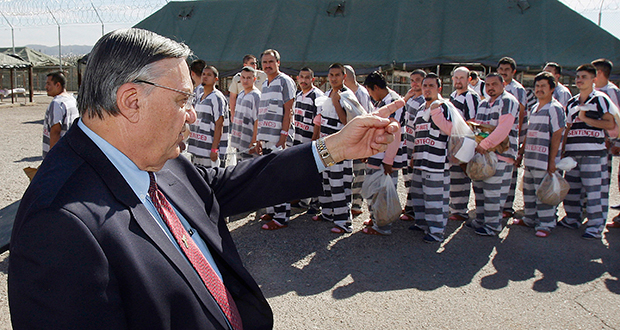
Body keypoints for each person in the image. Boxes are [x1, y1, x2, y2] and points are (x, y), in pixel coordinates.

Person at [8, 28, 403, 330]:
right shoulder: (58, 225)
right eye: (182, 101)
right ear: (131, 102)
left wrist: (334, 148)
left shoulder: (153, 156)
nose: (193, 116)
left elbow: (227, 183)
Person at [560, 64, 616, 240]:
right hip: (572, 153)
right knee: (572, 190)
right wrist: (562, 150)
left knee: (594, 192)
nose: (579, 79)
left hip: (594, 153)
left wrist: (587, 120)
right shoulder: (572, 102)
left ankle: (595, 226)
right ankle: (572, 219)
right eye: (577, 76)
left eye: (584, 76)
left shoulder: (600, 99)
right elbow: (567, 128)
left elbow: (610, 124)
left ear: (594, 79)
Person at [512, 71, 566, 238]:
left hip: (545, 161)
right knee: (529, 191)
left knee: (545, 193)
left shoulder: (555, 108)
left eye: (543, 86)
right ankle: (530, 219)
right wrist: (521, 152)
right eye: (537, 86)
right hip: (531, 159)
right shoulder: (535, 108)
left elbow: (557, 135)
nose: (539, 89)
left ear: (552, 88)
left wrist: (552, 161)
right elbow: (530, 133)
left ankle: (546, 224)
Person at [468, 73, 520, 236]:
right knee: (481, 189)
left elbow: (503, 128)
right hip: (483, 154)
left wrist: (485, 144)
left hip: (501, 154)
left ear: (503, 84)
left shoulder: (508, 101)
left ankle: (492, 226)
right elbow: (479, 128)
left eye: (494, 84)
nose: (490, 87)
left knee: (494, 193)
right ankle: (481, 220)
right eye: (488, 84)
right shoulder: (483, 103)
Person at [408, 73, 454, 243]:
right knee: (419, 194)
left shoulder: (444, 107)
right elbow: (416, 134)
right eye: (425, 86)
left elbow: (451, 129)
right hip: (420, 160)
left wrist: (435, 111)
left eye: (431, 86)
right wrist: (413, 155)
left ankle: (436, 232)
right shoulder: (420, 109)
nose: (427, 89)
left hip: (436, 162)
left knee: (435, 199)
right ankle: (421, 223)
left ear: (439, 88)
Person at [255, 49, 297, 230]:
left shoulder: (285, 82)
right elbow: (262, 113)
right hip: (266, 138)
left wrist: (284, 135)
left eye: (271, 62)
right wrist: (259, 138)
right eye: (264, 62)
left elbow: (289, 110)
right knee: (269, 176)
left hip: (279, 138)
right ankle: (272, 210)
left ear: (278, 63)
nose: (267, 65)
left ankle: (281, 217)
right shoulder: (264, 84)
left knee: (280, 176)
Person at [361, 71, 406, 236]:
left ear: (376, 88)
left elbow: (395, 133)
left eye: (371, 91)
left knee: (384, 192)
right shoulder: (381, 102)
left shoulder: (394, 103)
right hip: (375, 155)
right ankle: (375, 218)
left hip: (385, 158)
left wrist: (389, 160)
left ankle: (383, 226)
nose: (371, 95)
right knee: (373, 189)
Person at [312, 63, 355, 234]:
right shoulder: (327, 94)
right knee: (326, 180)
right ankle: (328, 212)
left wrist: (338, 104)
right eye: (331, 75)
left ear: (344, 77)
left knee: (339, 182)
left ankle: (344, 221)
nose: (334, 78)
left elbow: (350, 123)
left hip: (340, 146)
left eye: (337, 75)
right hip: (325, 144)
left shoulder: (347, 95)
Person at [448, 66, 480, 222]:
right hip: (453, 141)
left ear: (469, 79)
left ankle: (460, 210)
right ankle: (453, 206)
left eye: (462, 78)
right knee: (452, 175)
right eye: (456, 77)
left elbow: (473, 121)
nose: (458, 81)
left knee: (461, 175)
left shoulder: (471, 96)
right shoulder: (453, 95)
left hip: (465, 141)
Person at [496, 57, 527, 219]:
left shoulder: (518, 89)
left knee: (510, 174)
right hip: (495, 139)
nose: (503, 72)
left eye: (506, 70)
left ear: (513, 72)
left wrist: (519, 143)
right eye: (501, 69)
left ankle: (507, 207)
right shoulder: (494, 87)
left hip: (511, 138)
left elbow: (521, 116)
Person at [292, 67, 324, 214]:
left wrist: (314, 139)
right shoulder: (298, 95)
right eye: (301, 77)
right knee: (302, 171)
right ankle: (304, 200)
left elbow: (319, 120)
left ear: (312, 79)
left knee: (315, 172)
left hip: (310, 140)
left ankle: (316, 203)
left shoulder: (317, 95)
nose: (303, 80)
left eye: (307, 77)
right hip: (298, 139)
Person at [344, 64, 374, 215]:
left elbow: (366, 117)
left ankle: (356, 204)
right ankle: (350, 202)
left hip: (360, 138)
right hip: (348, 138)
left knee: (359, 172)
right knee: (350, 173)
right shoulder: (346, 92)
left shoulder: (360, 93)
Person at [187, 65, 230, 168]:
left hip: (209, 153)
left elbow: (219, 124)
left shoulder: (217, 97)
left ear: (216, 79)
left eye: (209, 75)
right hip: (197, 150)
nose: (205, 77)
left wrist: (214, 149)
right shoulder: (199, 97)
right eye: (203, 74)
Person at [401, 69, 427, 221]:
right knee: (408, 178)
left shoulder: (424, 101)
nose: (415, 83)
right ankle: (410, 206)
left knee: (416, 179)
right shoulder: (410, 99)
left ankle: (414, 209)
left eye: (418, 79)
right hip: (406, 144)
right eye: (412, 80)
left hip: (416, 146)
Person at [42, 71, 79, 158]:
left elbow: (55, 132)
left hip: (59, 155)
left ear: (58, 85)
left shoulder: (57, 103)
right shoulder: (72, 99)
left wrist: (52, 159)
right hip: (69, 152)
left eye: (48, 84)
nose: (46, 87)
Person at [230, 66, 261, 161]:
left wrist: (254, 141)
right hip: (239, 141)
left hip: (249, 142)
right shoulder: (240, 94)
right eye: (243, 77)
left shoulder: (256, 96)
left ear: (254, 79)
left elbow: (258, 120)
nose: (245, 80)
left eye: (248, 78)